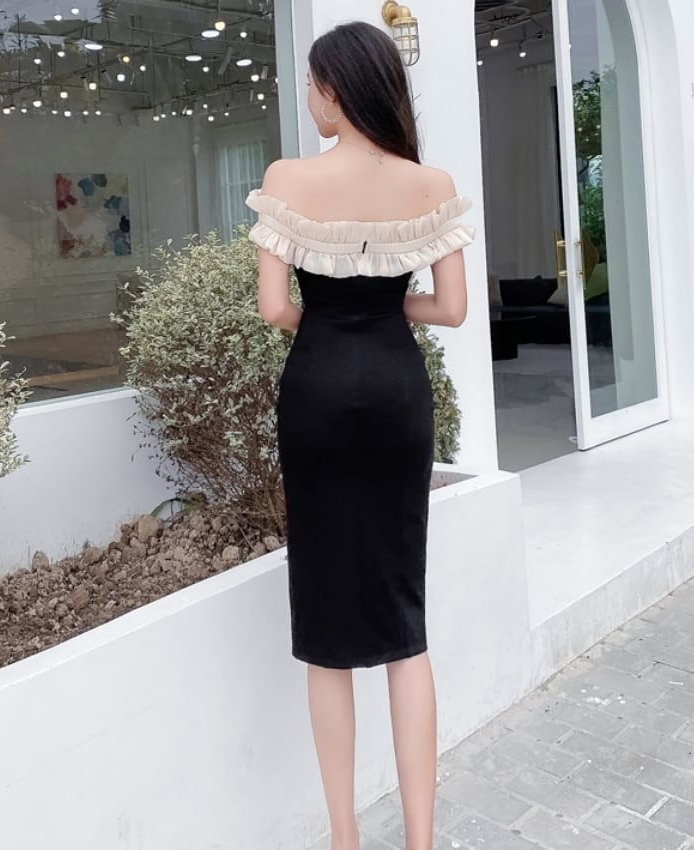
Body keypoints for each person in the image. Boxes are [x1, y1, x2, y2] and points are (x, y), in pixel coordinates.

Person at [245, 20, 474, 850]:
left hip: (316, 391)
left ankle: (344, 837)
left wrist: (331, 323)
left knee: (328, 626)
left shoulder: (288, 178)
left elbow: (275, 308)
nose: (310, 99)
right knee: (404, 619)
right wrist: (383, 311)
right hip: (397, 391)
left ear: (334, 89)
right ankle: (420, 841)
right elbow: (451, 309)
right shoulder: (431, 182)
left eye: (313, 84)